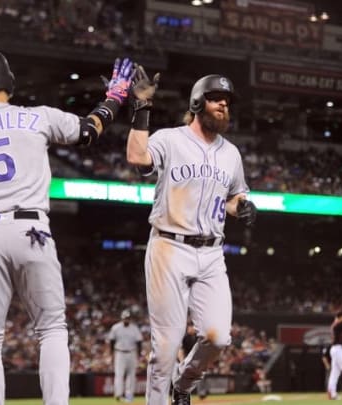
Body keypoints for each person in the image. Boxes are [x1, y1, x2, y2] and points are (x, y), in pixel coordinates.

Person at [0, 49, 135, 405]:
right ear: (10, 82)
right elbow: (87, 131)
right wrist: (113, 99)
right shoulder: (37, 117)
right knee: (51, 329)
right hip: (32, 230)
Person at [126, 68, 257, 405]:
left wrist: (241, 207)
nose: (224, 105)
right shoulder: (171, 139)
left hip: (212, 253)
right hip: (169, 246)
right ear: (198, 101)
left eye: (227, 102)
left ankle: (182, 385)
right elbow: (138, 159)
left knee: (218, 337)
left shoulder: (231, 154)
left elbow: (232, 197)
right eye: (217, 99)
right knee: (166, 345)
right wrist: (142, 109)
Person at [108, 309, 144, 402]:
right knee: (119, 374)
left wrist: (139, 355)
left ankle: (129, 395)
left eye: (128, 318)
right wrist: (111, 354)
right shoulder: (116, 327)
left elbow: (139, 342)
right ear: (122, 318)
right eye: (125, 318)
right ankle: (118, 395)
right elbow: (111, 341)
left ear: (130, 318)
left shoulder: (134, 328)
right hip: (119, 353)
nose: (126, 320)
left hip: (132, 353)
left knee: (131, 375)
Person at [177, 321, 207, 400]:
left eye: (193, 327)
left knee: (200, 374)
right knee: (183, 376)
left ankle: (202, 392)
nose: (191, 329)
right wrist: (182, 361)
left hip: (196, 358)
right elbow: (181, 350)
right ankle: (182, 394)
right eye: (190, 327)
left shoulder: (198, 337)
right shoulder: (185, 337)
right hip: (186, 358)